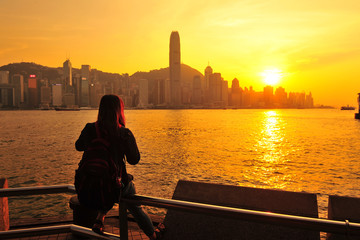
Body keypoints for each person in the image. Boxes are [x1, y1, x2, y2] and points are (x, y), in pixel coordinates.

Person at [75, 94, 164, 239]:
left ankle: (100, 218)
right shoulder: (124, 133)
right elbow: (134, 160)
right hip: (113, 187)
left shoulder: (90, 128)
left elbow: (78, 146)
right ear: (119, 110)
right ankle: (153, 235)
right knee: (132, 199)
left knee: (107, 183)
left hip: (87, 183)